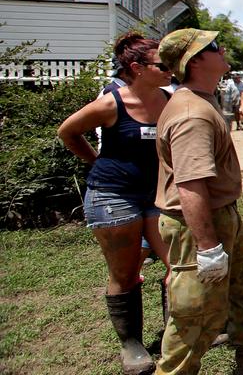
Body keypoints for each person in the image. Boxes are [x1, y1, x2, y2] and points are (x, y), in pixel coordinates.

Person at [154, 29, 243, 375]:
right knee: (198, 312)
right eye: (214, 47)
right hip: (200, 224)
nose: (222, 50)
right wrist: (207, 247)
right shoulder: (192, 113)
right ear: (197, 59)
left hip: (222, 215)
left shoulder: (201, 100)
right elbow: (190, 185)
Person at [57, 33, 173, 375]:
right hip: (113, 195)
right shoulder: (111, 103)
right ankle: (132, 344)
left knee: (176, 263)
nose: (170, 70)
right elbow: (68, 132)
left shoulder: (169, 100)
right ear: (137, 68)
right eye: (163, 64)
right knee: (124, 273)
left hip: (156, 194)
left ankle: (175, 331)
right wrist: (95, 161)